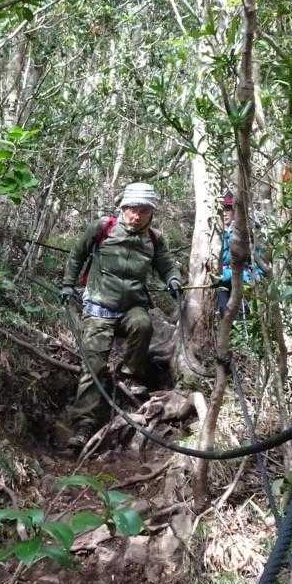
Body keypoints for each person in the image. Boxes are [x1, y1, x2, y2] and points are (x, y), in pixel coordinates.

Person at [54, 182, 182, 450]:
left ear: (151, 213)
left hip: (132, 306)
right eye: (132, 209)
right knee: (93, 364)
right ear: (123, 208)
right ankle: (84, 424)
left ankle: (129, 376)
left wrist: (173, 280)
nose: (136, 216)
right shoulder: (103, 228)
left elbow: (167, 266)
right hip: (99, 306)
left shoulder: (154, 240)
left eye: (143, 211)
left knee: (143, 325)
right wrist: (67, 284)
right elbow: (77, 255)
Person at [215, 191, 267, 317]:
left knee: (243, 317)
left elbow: (260, 268)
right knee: (224, 314)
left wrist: (234, 276)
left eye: (228, 209)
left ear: (236, 211)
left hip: (242, 284)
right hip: (222, 285)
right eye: (222, 209)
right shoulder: (216, 233)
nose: (225, 213)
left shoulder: (248, 233)